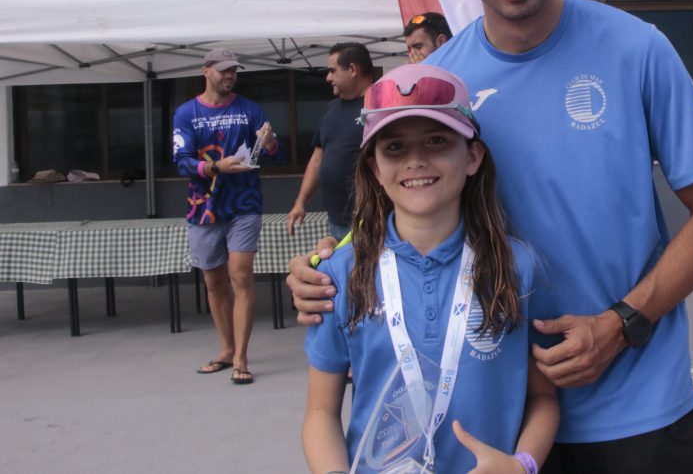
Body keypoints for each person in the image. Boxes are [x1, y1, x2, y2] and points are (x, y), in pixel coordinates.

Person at [291, 0, 693, 474]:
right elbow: (396, 204)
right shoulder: (443, 87)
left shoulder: (637, 50)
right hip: (500, 438)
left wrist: (622, 322)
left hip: (639, 410)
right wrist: (319, 267)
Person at [301, 64, 558, 474]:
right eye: (395, 147)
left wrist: (522, 464)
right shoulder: (340, 275)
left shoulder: (518, 266)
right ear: (373, 168)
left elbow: (543, 398)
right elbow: (319, 411)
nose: (416, 160)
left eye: (437, 141)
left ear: (472, 156)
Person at [173, 48, 280, 385]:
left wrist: (271, 142)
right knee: (213, 281)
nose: (229, 75)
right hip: (202, 206)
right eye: (223, 70)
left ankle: (241, 358)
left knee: (241, 275)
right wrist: (216, 166)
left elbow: (269, 154)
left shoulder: (249, 108)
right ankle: (226, 349)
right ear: (206, 71)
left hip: (245, 203)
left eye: (234, 69)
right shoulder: (186, 113)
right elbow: (181, 161)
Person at [287, 42, 374, 241]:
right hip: (336, 220)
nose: (328, 78)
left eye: (332, 71)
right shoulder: (331, 109)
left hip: (371, 219)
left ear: (352, 69)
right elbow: (318, 158)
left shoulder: (379, 104)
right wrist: (300, 202)